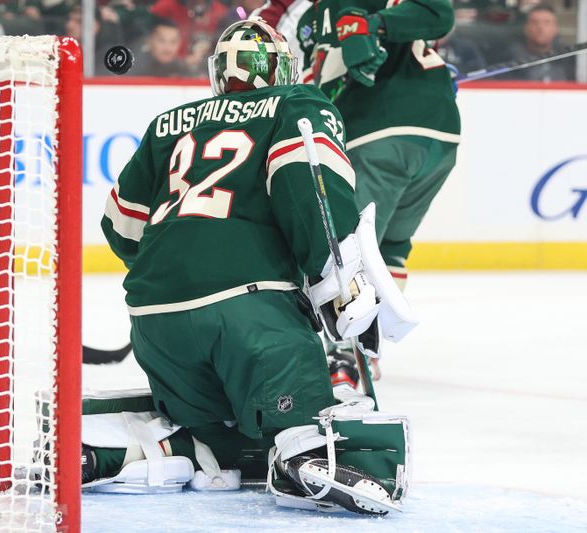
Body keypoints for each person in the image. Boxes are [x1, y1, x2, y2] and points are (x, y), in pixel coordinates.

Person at [82, 17, 412, 515]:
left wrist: (177, 266)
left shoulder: (167, 123)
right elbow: (310, 187)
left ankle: (132, 453)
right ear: (280, 67)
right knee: (298, 419)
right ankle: (303, 453)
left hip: (155, 321)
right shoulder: (298, 104)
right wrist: (336, 278)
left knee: (222, 445)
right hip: (249, 315)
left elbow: (120, 228)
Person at [258, 0, 461, 378]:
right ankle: (371, 349)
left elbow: (421, 16)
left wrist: (371, 26)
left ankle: (346, 357)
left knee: (348, 250)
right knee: (391, 248)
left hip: (380, 132)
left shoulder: (329, 10)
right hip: (439, 137)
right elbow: (436, 15)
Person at [499, 4, 575, 82]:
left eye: (547, 22)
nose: (541, 28)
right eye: (535, 22)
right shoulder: (511, 60)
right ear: (526, 28)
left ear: (556, 28)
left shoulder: (568, 57)